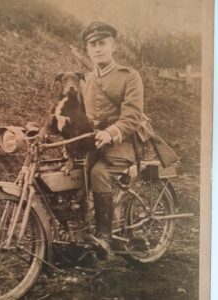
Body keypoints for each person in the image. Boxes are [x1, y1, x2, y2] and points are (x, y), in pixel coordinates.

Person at [78, 21, 144, 254]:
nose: (97, 49)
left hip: (121, 146)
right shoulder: (84, 80)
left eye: (102, 43)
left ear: (113, 46)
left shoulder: (129, 77)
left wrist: (110, 133)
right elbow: (76, 116)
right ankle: (78, 231)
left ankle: (104, 236)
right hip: (92, 145)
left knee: (99, 174)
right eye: (92, 45)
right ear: (87, 50)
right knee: (72, 176)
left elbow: (133, 117)